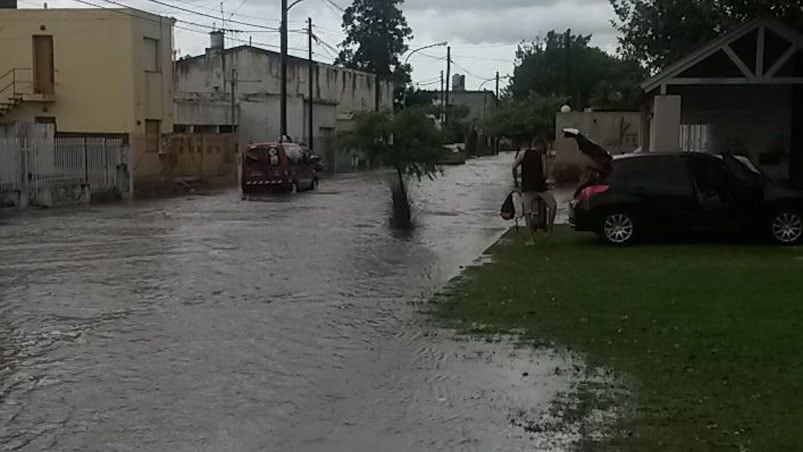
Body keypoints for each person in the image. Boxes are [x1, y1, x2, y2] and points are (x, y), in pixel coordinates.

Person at [513, 137, 557, 242]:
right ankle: (549, 231)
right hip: (540, 187)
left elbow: (514, 167)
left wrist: (516, 182)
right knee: (552, 206)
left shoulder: (522, 154)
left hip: (527, 187)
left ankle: (530, 238)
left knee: (527, 212)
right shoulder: (542, 156)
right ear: (541, 146)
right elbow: (545, 174)